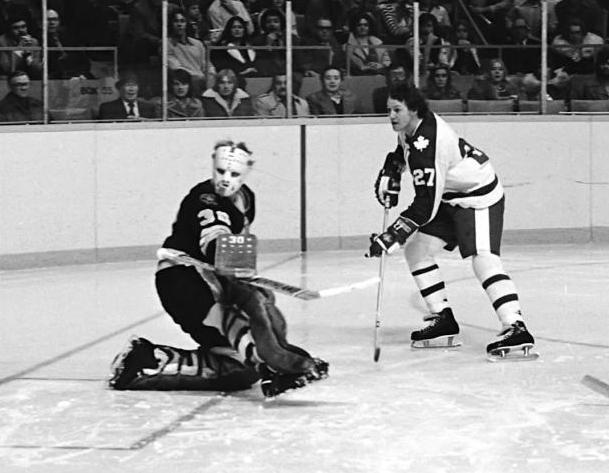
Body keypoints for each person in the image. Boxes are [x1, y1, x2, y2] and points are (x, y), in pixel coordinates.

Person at [107, 140, 329, 397]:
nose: (225, 179)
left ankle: (148, 361)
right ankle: (274, 365)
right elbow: (215, 238)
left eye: (234, 174)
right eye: (220, 171)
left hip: (204, 281)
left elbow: (237, 245)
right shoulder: (204, 198)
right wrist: (236, 272)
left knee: (240, 371)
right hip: (184, 280)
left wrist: (243, 277)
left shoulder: (246, 199)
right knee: (241, 332)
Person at [368, 82, 537, 359]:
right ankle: (443, 319)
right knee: (418, 250)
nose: (391, 116)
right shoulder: (413, 129)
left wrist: (392, 236)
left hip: (478, 197)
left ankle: (515, 325)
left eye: (397, 110)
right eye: (389, 110)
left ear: (413, 110)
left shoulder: (430, 145)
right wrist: (393, 167)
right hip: (450, 196)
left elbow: (424, 207)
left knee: (483, 258)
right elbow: (404, 151)